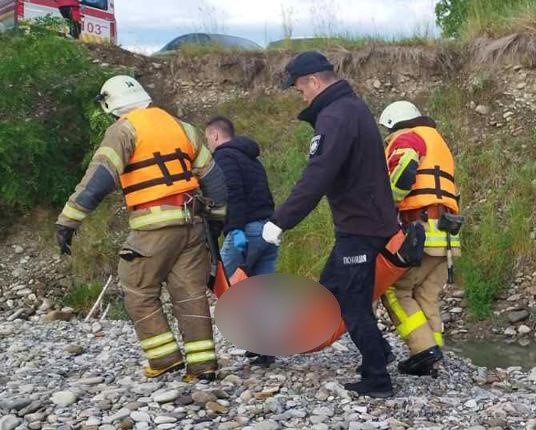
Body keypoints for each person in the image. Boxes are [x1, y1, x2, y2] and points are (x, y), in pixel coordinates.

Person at [56, 75, 227, 380]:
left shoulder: (124, 129)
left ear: (111, 103)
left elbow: (99, 179)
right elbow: (215, 179)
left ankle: (164, 359)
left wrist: (68, 220)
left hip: (152, 229)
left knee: (138, 289)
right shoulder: (182, 127)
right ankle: (202, 367)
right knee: (190, 295)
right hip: (190, 225)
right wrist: (215, 221)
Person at [261, 51, 398, 398]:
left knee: (352, 302)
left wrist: (280, 221)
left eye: (299, 89)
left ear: (313, 80)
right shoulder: (350, 108)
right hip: (364, 222)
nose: (301, 96)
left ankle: (377, 378)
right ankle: (380, 351)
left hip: (361, 227)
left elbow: (318, 174)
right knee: (329, 291)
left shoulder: (336, 115)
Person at [378, 101, 461, 376]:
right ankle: (434, 355)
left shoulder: (407, 137)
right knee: (426, 295)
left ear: (393, 123)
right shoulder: (438, 142)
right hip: (447, 235)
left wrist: (386, 204)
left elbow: (402, 171)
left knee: (394, 291)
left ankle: (423, 351)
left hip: (420, 231)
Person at [204, 116, 278, 279]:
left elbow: (232, 193)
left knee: (222, 284)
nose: (208, 143)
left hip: (247, 231)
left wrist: (235, 229)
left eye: (207, 138)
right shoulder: (251, 158)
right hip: (269, 231)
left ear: (215, 135)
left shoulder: (223, 157)